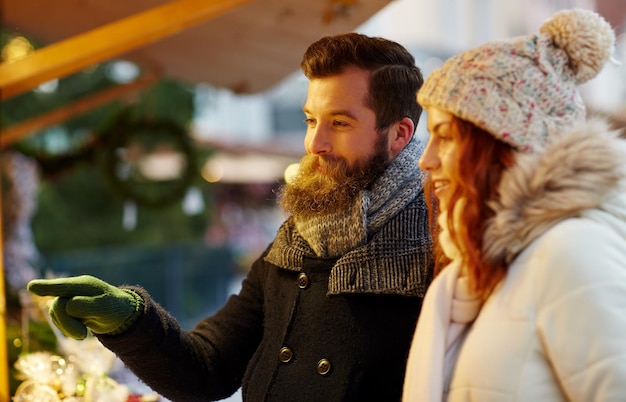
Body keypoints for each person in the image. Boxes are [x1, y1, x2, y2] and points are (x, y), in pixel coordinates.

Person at [28, 33, 434, 402]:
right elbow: (207, 368)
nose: (315, 142)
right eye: (311, 120)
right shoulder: (297, 237)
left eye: (340, 123)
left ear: (398, 134)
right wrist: (128, 318)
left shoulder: (438, 245)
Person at [402, 8, 626, 401]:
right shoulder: (491, 266)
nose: (426, 158)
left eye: (446, 137)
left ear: (501, 144)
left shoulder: (569, 250)